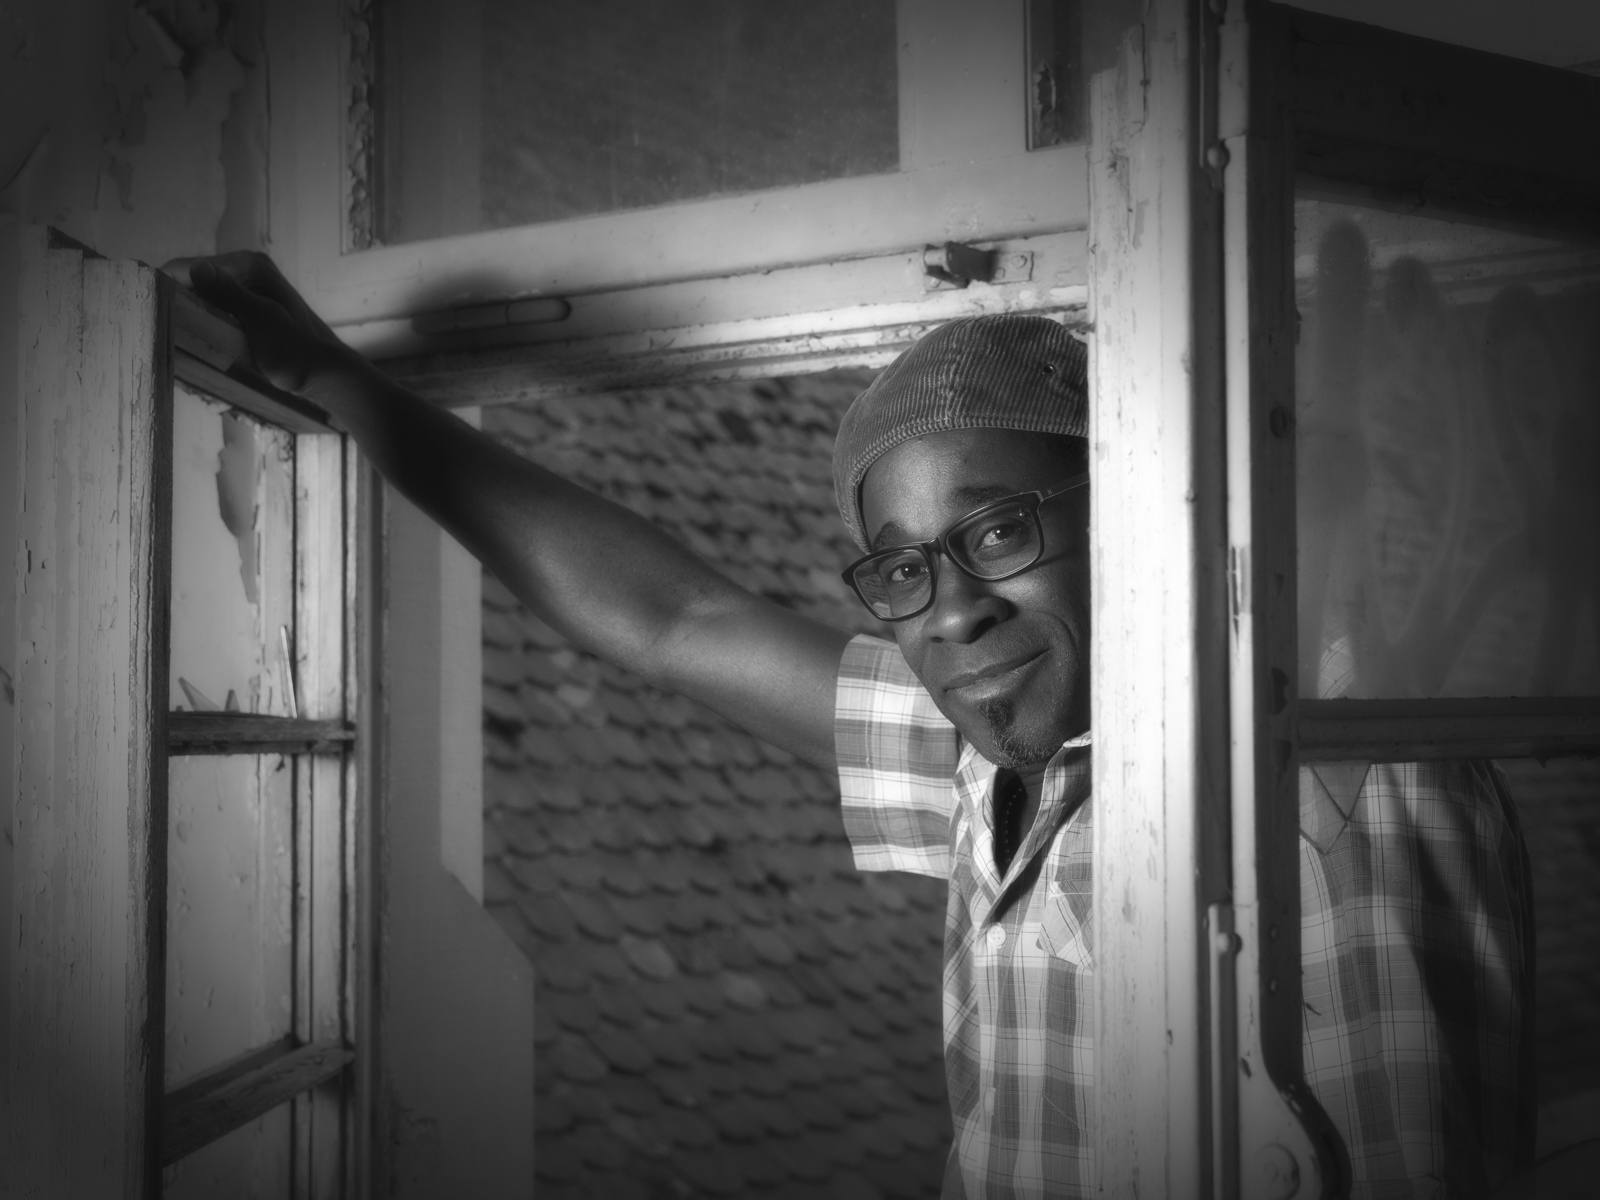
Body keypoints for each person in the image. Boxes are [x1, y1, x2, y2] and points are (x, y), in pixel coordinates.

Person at [189, 254, 1534, 1199]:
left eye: (999, 531)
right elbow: (671, 618)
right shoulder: (987, 763)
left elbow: (1344, 653)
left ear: (1138, 508)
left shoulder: (1321, 764)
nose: (951, 611)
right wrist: (341, 387)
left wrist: (1321, 548)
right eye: (902, 569)